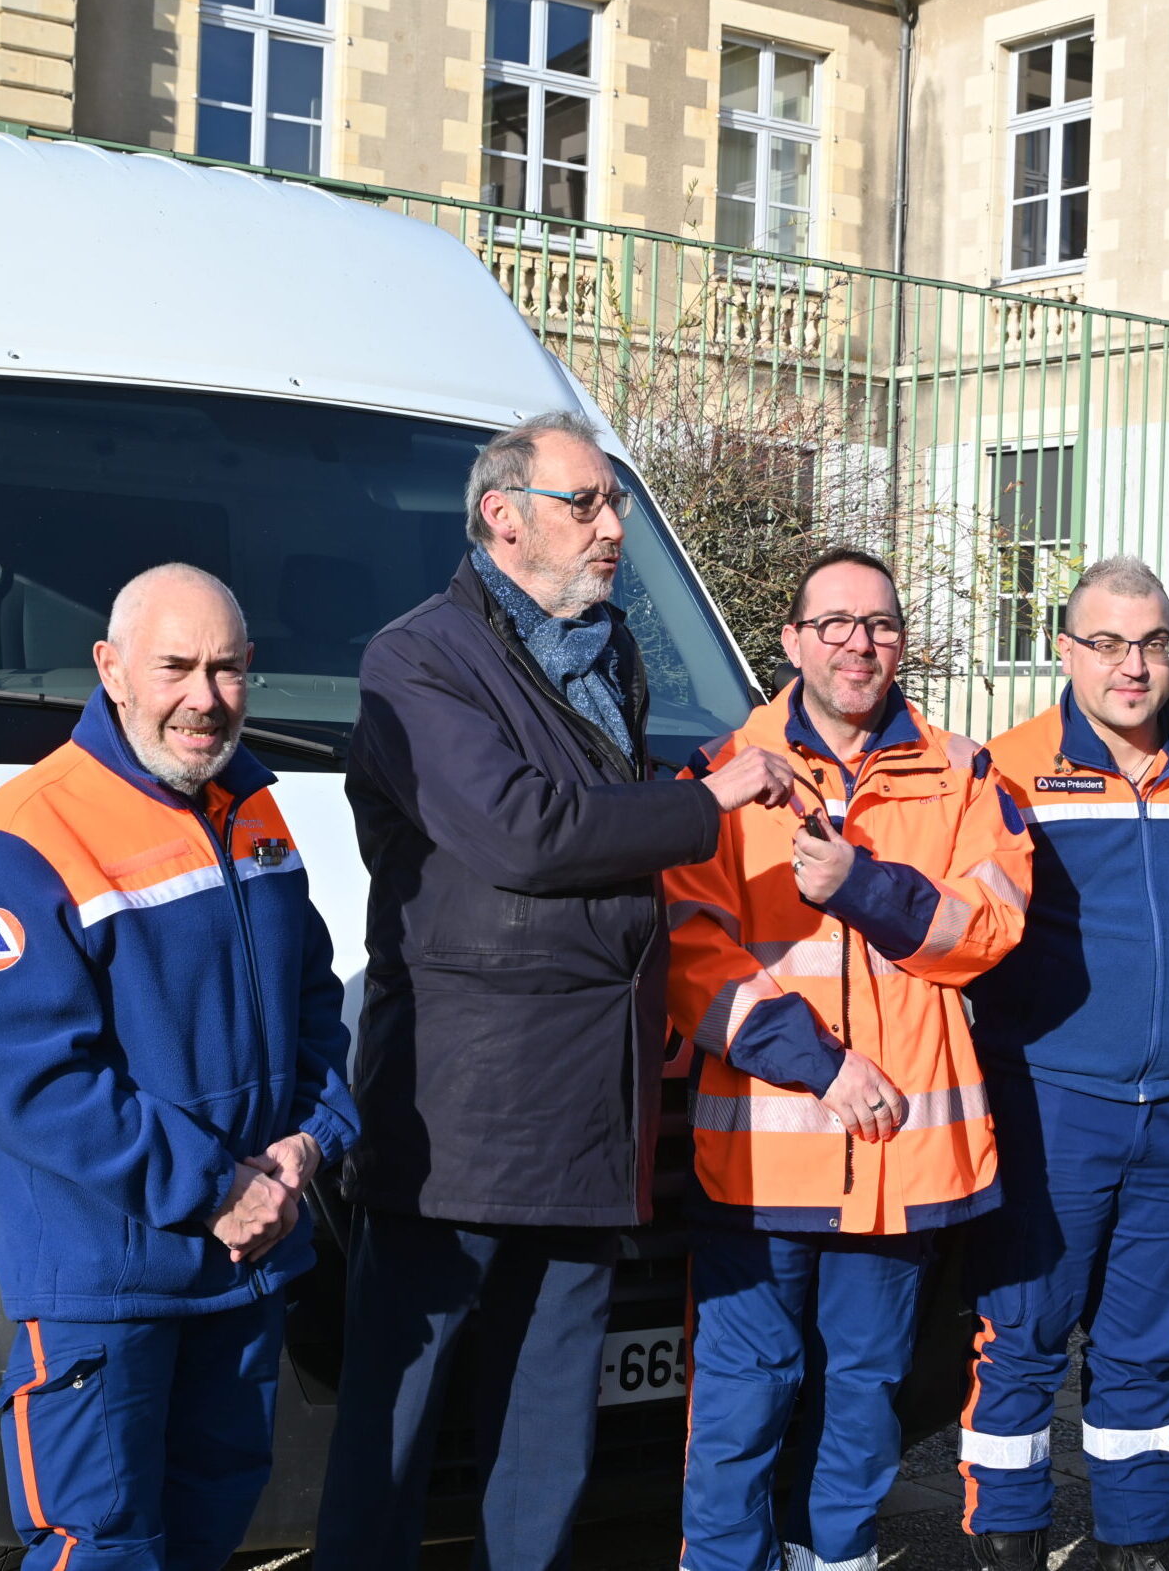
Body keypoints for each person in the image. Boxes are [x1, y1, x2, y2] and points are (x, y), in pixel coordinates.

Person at [314, 412, 793, 1571]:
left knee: (549, 1412)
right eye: (588, 502)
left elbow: (590, 819)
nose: (612, 525)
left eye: (614, 502)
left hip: (593, 1099)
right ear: (503, 515)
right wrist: (709, 800)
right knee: (401, 1402)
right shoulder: (418, 655)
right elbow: (524, 833)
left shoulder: (609, 647)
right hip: (463, 1106)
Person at [0, 563, 358, 1571]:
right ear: (112, 670)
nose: (203, 697)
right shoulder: (26, 837)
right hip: (106, 1281)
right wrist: (214, 1185)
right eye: (176, 665)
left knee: (211, 1530)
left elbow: (313, 1002)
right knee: (105, 1546)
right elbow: (30, 1081)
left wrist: (312, 1136)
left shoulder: (251, 806)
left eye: (226, 668)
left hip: (242, 1265)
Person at [666, 548, 1032, 1571]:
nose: (856, 642)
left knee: (864, 1392)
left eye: (876, 623)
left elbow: (992, 926)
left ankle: (836, 1555)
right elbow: (690, 951)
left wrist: (864, 885)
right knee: (744, 1394)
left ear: (900, 642)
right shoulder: (722, 773)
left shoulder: (963, 774)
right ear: (788, 641)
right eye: (831, 622)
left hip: (901, 1156)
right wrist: (820, 1066)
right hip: (761, 1159)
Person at [959, 554, 1169, 1571]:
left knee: (1148, 1341)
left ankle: (1136, 1538)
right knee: (1023, 1331)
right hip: (1050, 1102)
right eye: (1105, 642)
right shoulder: (1005, 767)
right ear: (1064, 649)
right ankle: (1006, 1534)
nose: (1130, 665)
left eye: (1150, 642)